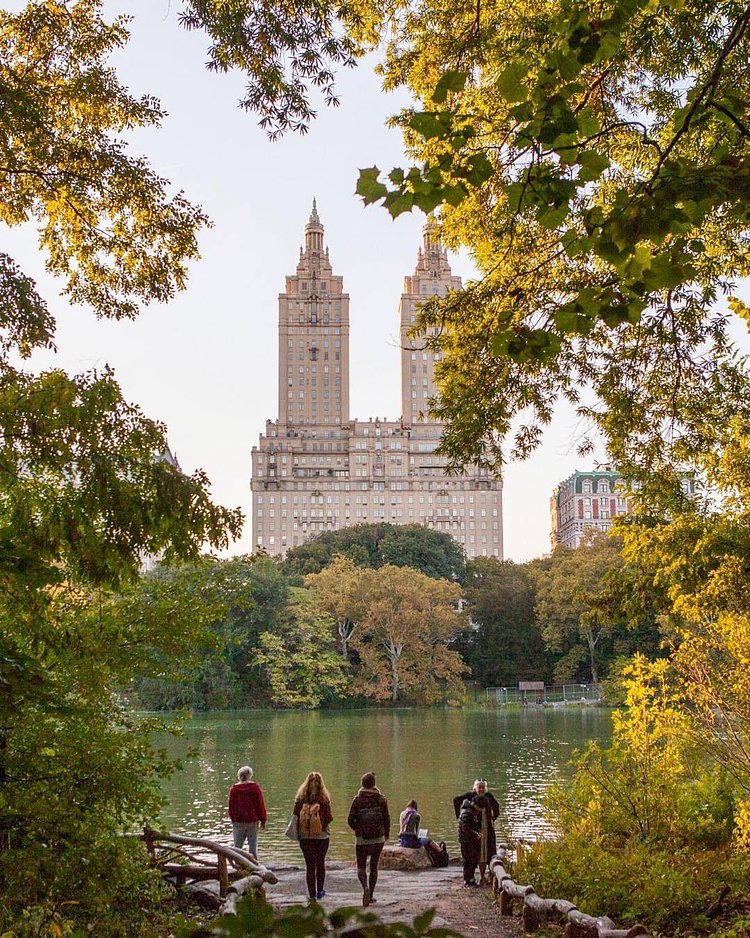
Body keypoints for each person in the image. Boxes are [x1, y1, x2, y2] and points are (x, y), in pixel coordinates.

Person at [347, 771, 390, 907]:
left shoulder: (357, 800)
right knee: (374, 867)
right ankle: (370, 895)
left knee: (361, 867)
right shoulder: (381, 799)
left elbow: (350, 820)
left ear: (362, 784)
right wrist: (386, 834)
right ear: (374, 784)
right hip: (378, 838)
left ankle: (365, 887)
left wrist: (357, 829)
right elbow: (387, 819)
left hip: (362, 839)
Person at [292, 771, 333, 902]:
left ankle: (312, 895)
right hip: (322, 837)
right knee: (320, 863)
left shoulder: (300, 799)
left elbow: (295, 817)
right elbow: (329, 818)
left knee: (310, 866)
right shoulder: (324, 800)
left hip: (305, 837)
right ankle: (320, 891)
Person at [452, 778, 500, 884]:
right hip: (474, 830)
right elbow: (456, 800)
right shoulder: (470, 796)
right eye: (479, 787)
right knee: (474, 854)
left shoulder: (489, 796)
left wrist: (494, 816)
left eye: (483, 787)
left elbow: (496, 806)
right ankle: (471, 878)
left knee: (488, 853)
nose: (481, 790)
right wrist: (459, 816)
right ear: (475, 788)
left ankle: (486, 877)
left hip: (487, 829)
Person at [227, 765, 267, 857]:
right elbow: (260, 805)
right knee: (253, 847)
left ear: (239, 776)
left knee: (237, 847)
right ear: (250, 775)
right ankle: (253, 866)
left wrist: (233, 819)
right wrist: (263, 819)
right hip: (252, 821)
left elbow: (231, 807)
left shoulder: (234, 789)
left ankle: (237, 866)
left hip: (238, 821)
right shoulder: (255, 788)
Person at [457, 798, 482, 887]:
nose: (480, 810)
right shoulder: (467, 813)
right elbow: (465, 827)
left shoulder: (468, 811)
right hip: (467, 841)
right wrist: (475, 834)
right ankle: (467, 881)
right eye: (480, 808)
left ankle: (470, 879)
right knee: (469, 861)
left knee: (471, 861)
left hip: (468, 840)